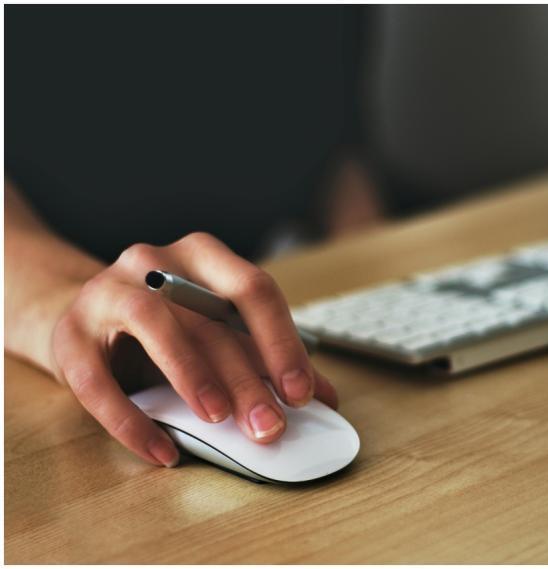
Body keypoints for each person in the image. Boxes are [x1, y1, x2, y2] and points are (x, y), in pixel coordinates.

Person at [5, 5, 382, 468]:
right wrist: (65, 306)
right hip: (80, 286)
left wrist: (373, 282)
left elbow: (342, 147)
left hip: (259, 302)